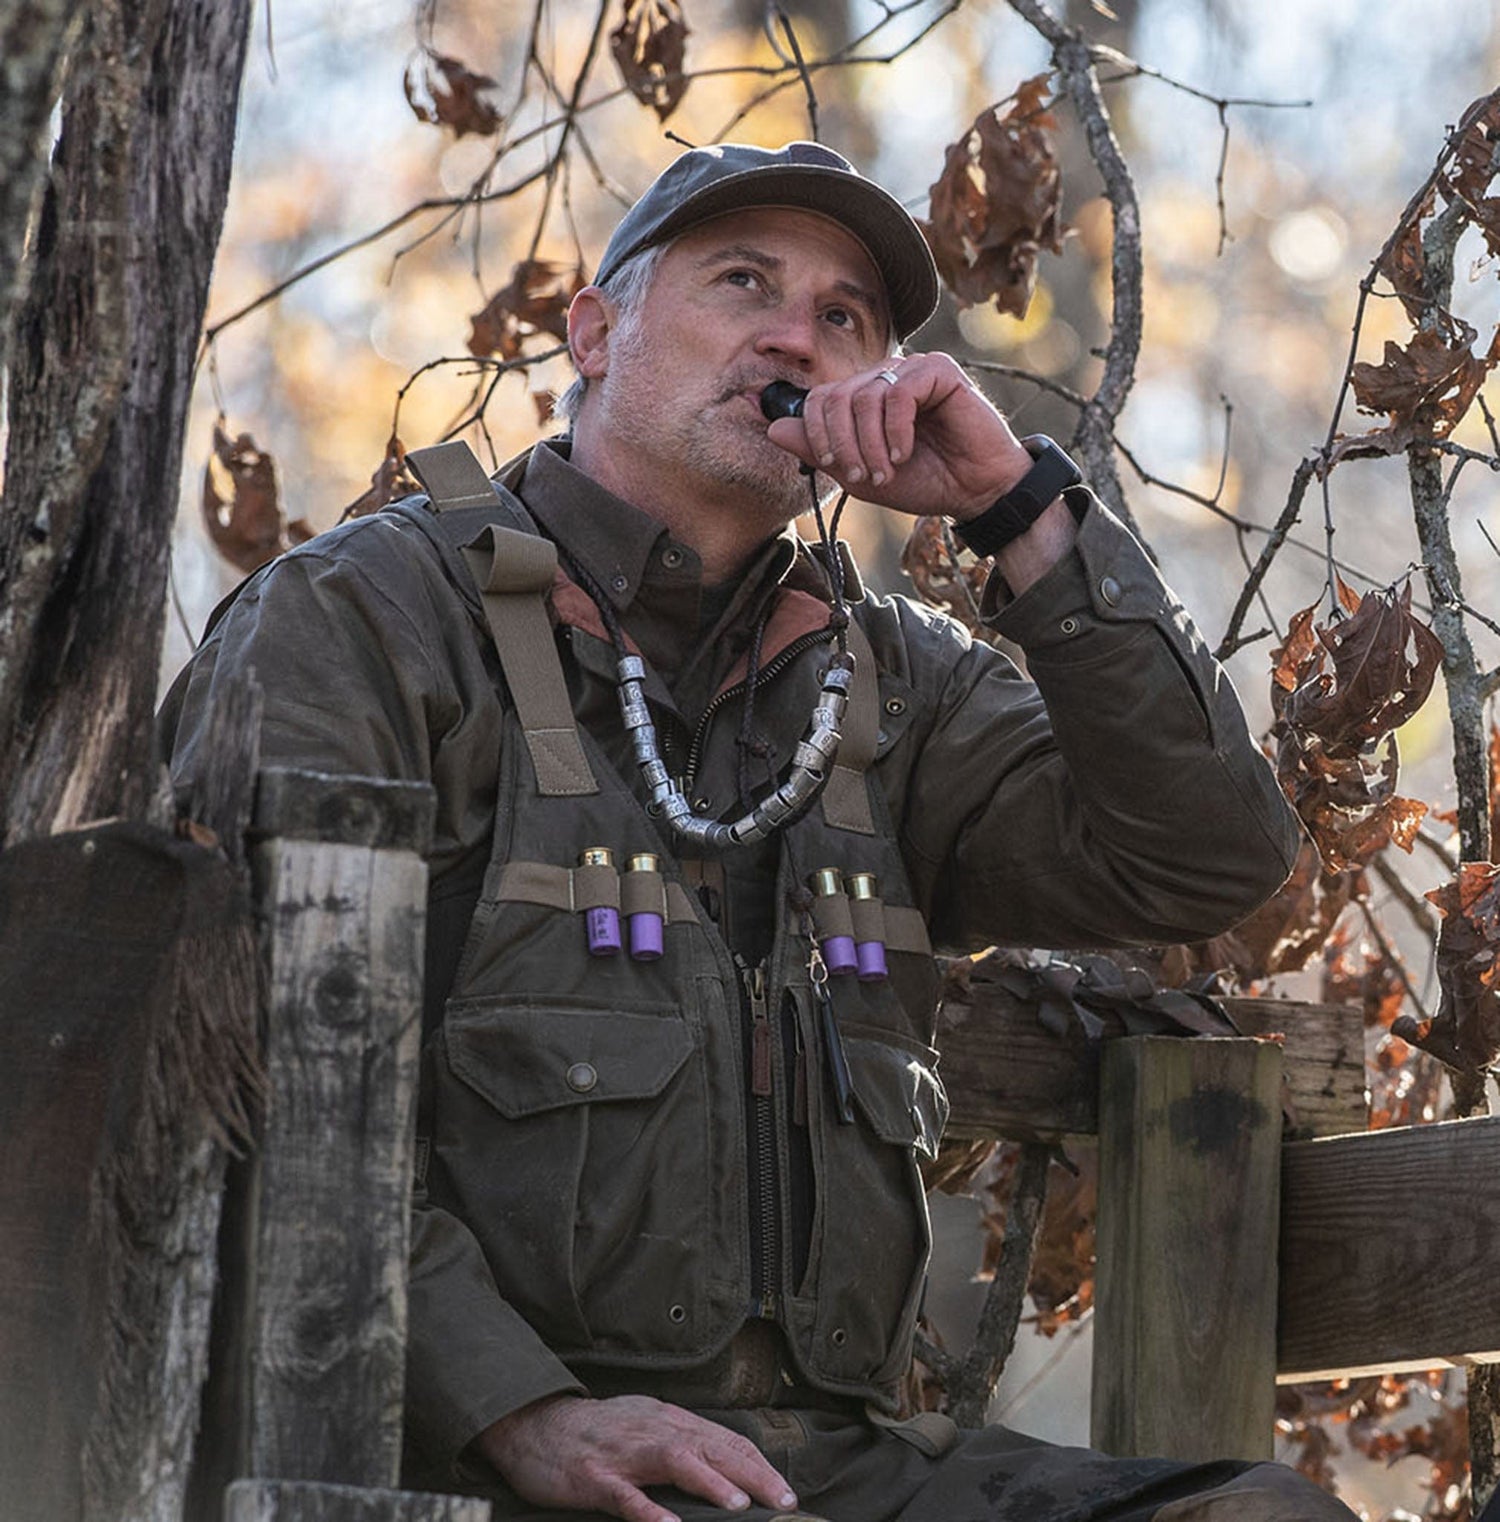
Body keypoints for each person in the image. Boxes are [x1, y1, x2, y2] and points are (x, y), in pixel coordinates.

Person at [162, 141, 1354, 1522]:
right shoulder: (368, 619)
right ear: (593, 333)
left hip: (828, 1475)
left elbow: (1210, 859)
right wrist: (521, 1411)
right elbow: (230, 1081)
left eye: (847, 316)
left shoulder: (887, 680)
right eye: (744, 282)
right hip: (446, 1463)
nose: (799, 332)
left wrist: (1017, 511)